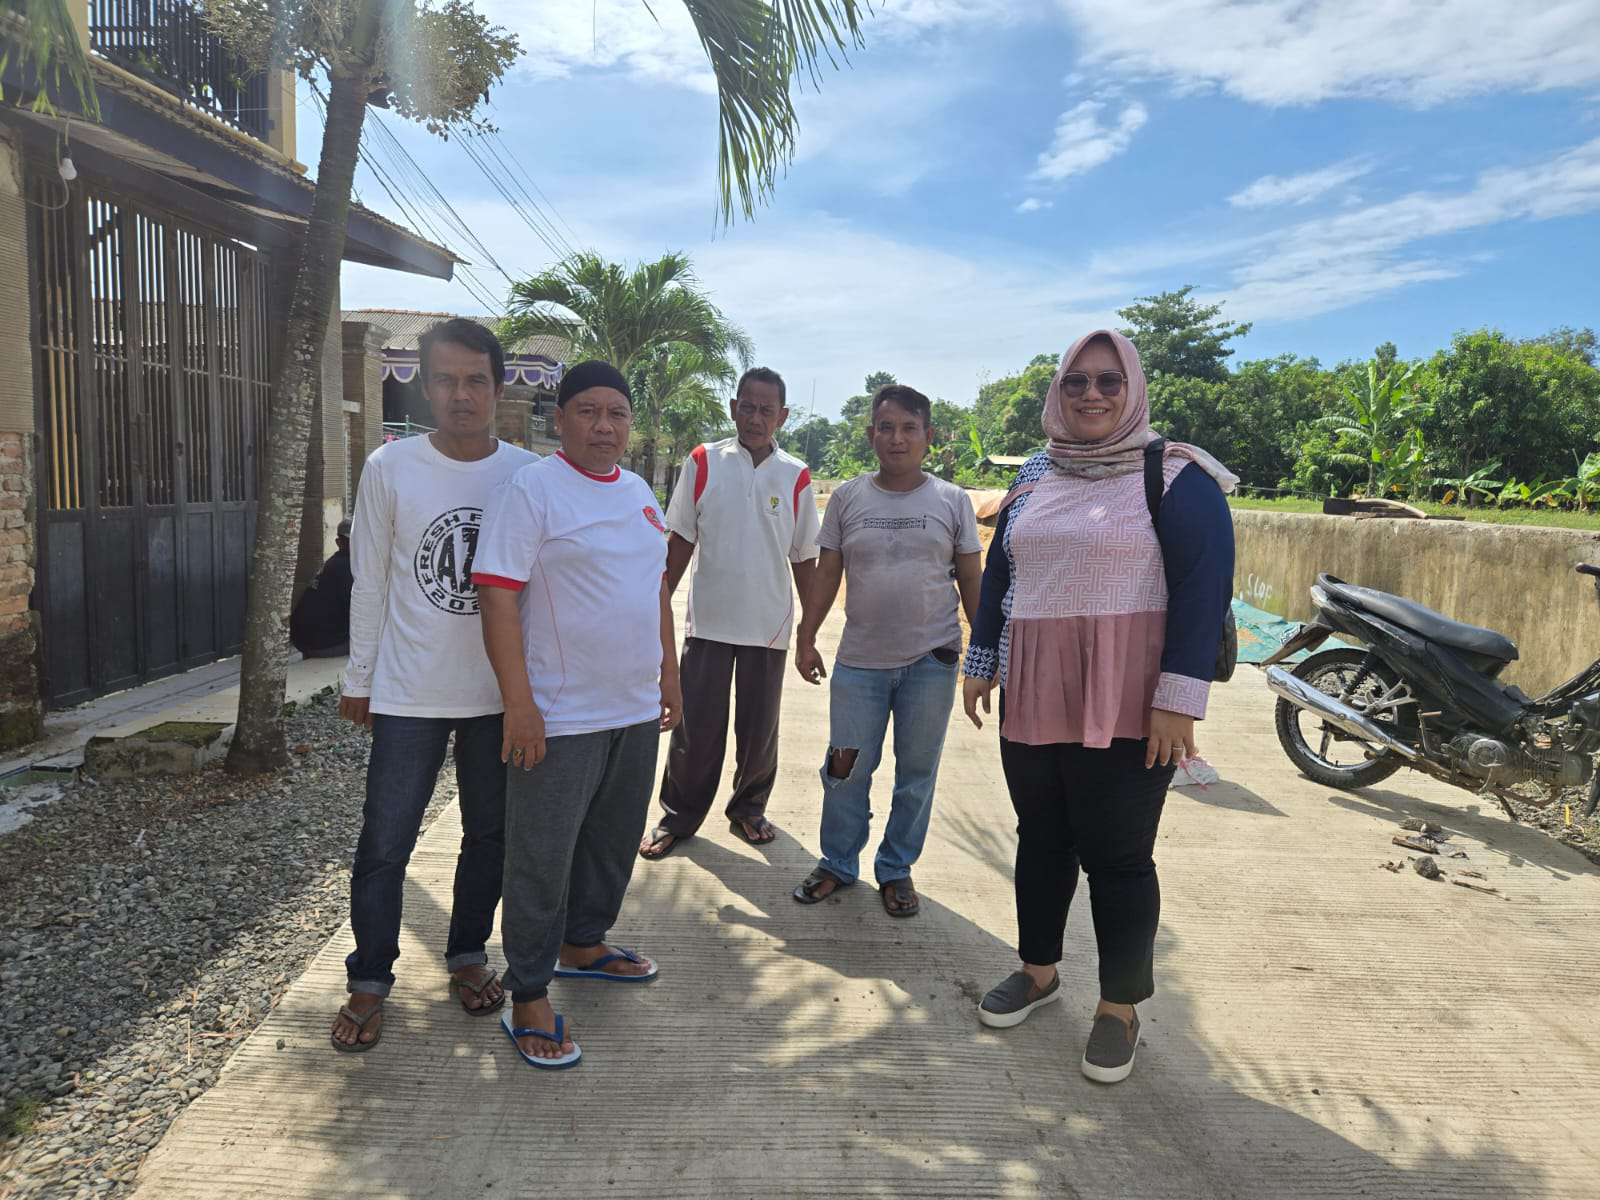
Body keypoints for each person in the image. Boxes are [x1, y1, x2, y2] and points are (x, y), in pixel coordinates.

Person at [961, 329, 1235, 1084]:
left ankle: (1119, 1008)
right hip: (1033, 685)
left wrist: (1178, 700)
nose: (1091, 394)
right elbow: (1002, 569)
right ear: (1059, 390)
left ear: (1133, 389)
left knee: (1118, 856)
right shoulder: (1037, 472)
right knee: (1041, 838)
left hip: (1129, 696)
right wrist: (981, 661)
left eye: (1109, 381)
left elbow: (1204, 589)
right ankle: (1038, 971)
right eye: (1076, 381)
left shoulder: (1176, 476)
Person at [330, 319, 538, 1052]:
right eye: (445, 379)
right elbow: (370, 581)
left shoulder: (526, 474)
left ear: (499, 386)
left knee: (490, 835)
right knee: (384, 841)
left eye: (476, 379)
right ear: (424, 384)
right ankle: (369, 977)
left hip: (495, 695)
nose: (461, 394)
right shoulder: (390, 467)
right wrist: (360, 677)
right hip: (408, 691)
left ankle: (468, 953)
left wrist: (534, 695)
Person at [473, 360, 683, 1070]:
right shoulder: (529, 491)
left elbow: (656, 589)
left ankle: (583, 944)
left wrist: (669, 676)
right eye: (587, 411)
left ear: (630, 424)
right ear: (559, 419)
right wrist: (519, 706)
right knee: (541, 857)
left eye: (616, 413)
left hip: (633, 708)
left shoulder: (640, 493)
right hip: (559, 717)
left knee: (611, 843)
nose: (603, 426)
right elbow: (497, 598)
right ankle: (529, 991)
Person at [792, 384, 981, 917]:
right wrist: (806, 636)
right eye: (886, 427)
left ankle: (896, 868)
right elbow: (828, 573)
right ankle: (837, 861)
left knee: (916, 775)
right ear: (871, 434)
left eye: (909, 428)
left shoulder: (952, 501)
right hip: (860, 663)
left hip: (931, 661)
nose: (897, 438)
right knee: (845, 767)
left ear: (928, 435)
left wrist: (986, 652)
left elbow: (972, 578)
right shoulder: (847, 498)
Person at [638, 367, 821, 860]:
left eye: (767, 410)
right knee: (694, 729)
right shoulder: (703, 461)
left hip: (769, 627)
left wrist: (808, 634)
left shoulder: (796, 475)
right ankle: (678, 815)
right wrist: (652, 612)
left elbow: (804, 558)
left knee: (759, 731)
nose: (755, 418)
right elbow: (680, 539)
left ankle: (748, 809)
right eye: (748, 407)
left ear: (782, 416)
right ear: (734, 408)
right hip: (709, 622)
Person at [290, 518, 354, 658]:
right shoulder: (346, 567)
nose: (356, 545)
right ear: (339, 542)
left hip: (306, 642)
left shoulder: (334, 563)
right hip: (324, 645)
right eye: (351, 541)